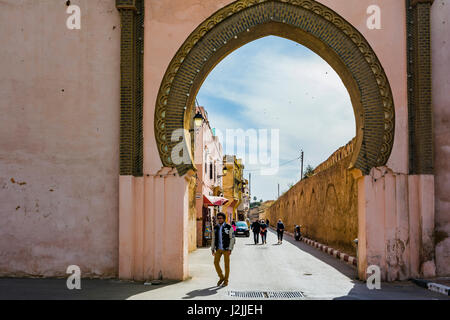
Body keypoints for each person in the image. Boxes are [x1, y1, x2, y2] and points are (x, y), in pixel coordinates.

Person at [211, 212, 235, 287]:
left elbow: (232, 238)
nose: (219, 220)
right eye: (218, 218)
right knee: (215, 263)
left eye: (221, 218)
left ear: (224, 219)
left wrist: (230, 249)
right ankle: (221, 277)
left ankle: (226, 281)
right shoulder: (215, 228)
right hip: (218, 249)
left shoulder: (229, 227)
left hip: (226, 249)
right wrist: (212, 249)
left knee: (226, 265)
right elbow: (213, 238)